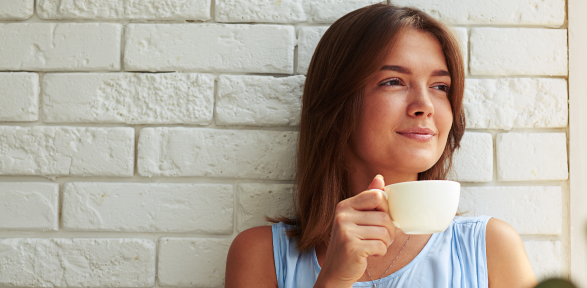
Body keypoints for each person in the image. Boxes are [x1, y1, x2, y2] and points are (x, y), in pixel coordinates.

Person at [225, 3, 537, 287]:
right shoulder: (259, 254)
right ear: (338, 104)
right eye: (393, 82)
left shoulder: (491, 248)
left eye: (440, 86)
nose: (425, 105)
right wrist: (333, 278)